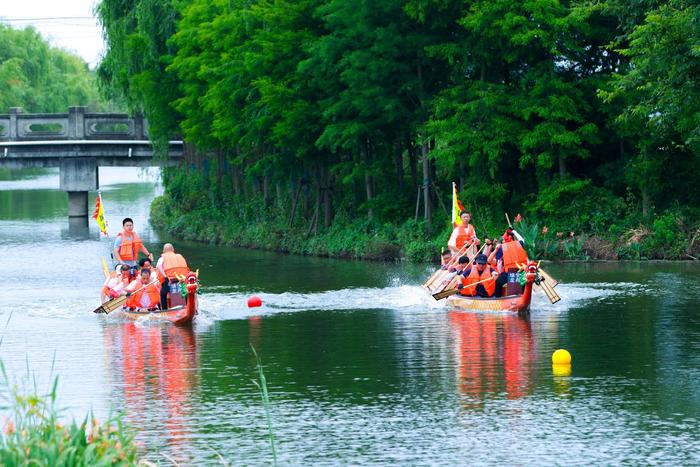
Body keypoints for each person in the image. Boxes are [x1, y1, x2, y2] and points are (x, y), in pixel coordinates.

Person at [492, 228, 529, 297]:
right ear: (512, 238)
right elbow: (522, 239)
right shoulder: (519, 244)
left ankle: (497, 298)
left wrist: (500, 273)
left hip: (509, 274)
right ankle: (522, 295)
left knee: (498, 282)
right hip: (522, 273)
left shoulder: (501, 248)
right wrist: (514, 231)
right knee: (524, 280)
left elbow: (499, 264)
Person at [156, 243, 190, 310]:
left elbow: (158, 266)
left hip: (171, 279)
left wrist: (165, 276)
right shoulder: (180, 256)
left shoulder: (163, 257)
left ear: (163, 251)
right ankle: (187, 307)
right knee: (184, 291)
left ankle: (164, 310)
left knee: (163, 293)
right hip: (182, 279)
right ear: (173, 250)